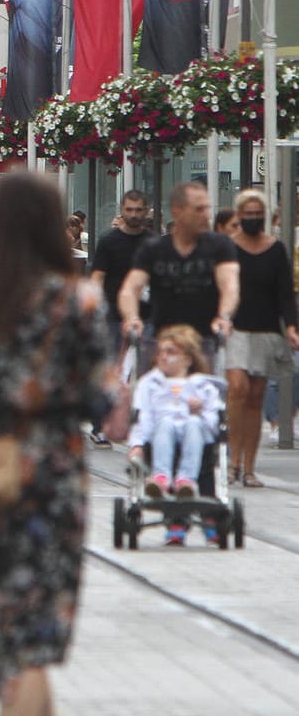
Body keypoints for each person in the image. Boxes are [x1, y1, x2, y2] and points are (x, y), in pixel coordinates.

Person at [0, 170, 115, 715]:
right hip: (57, 476)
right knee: (39, 637)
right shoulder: (80, 303)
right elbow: (102, 403)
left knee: (5, 629)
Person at [118, 182, 239, 370]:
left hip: (205, 339)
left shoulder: (220, 245)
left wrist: (224, 316)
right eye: (198, 209)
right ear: (177, 211)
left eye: (207, 208)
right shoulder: (154, 248)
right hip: (163, 340)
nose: (206, 215)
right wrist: (132, 317)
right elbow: (130, 288)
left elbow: (230, 285)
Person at [224, 189, 298, 487]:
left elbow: (284, 293)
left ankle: (249, 467)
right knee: (237, 389)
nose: (253, 219)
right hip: (236, 329)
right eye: (248, 214)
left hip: (267, 329)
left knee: (255, 396)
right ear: (239, 216)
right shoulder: (228, 248)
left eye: (258, 214)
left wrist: (291, 327)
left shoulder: (276, 249)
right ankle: (231, 462)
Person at [126, 326, 221, 534]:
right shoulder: (149, 383)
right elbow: (143, 417)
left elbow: (214, 421)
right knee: (165, 422)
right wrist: (137, 445)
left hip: (197, 440)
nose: (163, 357)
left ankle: (186, 481)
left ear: (187, 359)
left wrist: (200, 411)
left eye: (171, 352)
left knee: (194, 423)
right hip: (161, 440)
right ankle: (161, 479)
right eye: (161, 352)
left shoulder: (203, 385)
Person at [89, 190, 151, 353]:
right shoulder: (108, 241)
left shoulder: (153, 242)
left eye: (138, 210)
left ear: (146, 210)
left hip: (147, 314)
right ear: (122, 210)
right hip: (113, 316)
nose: (133, 215)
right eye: (129, 210)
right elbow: (97, 277)